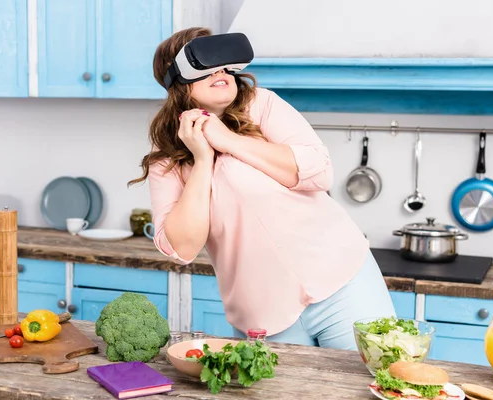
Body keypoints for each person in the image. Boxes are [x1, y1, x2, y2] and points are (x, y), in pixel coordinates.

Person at [129, 27, 395, 350]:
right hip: (266, 316)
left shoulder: (262, 105)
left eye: (225, 63)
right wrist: (202, 160)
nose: (221, 71)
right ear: (177, 80)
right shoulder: (167, 161)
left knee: (380, 386)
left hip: (343, 281)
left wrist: (229, 140)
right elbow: (181, 247)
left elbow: (319, 170)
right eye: (206, 62)